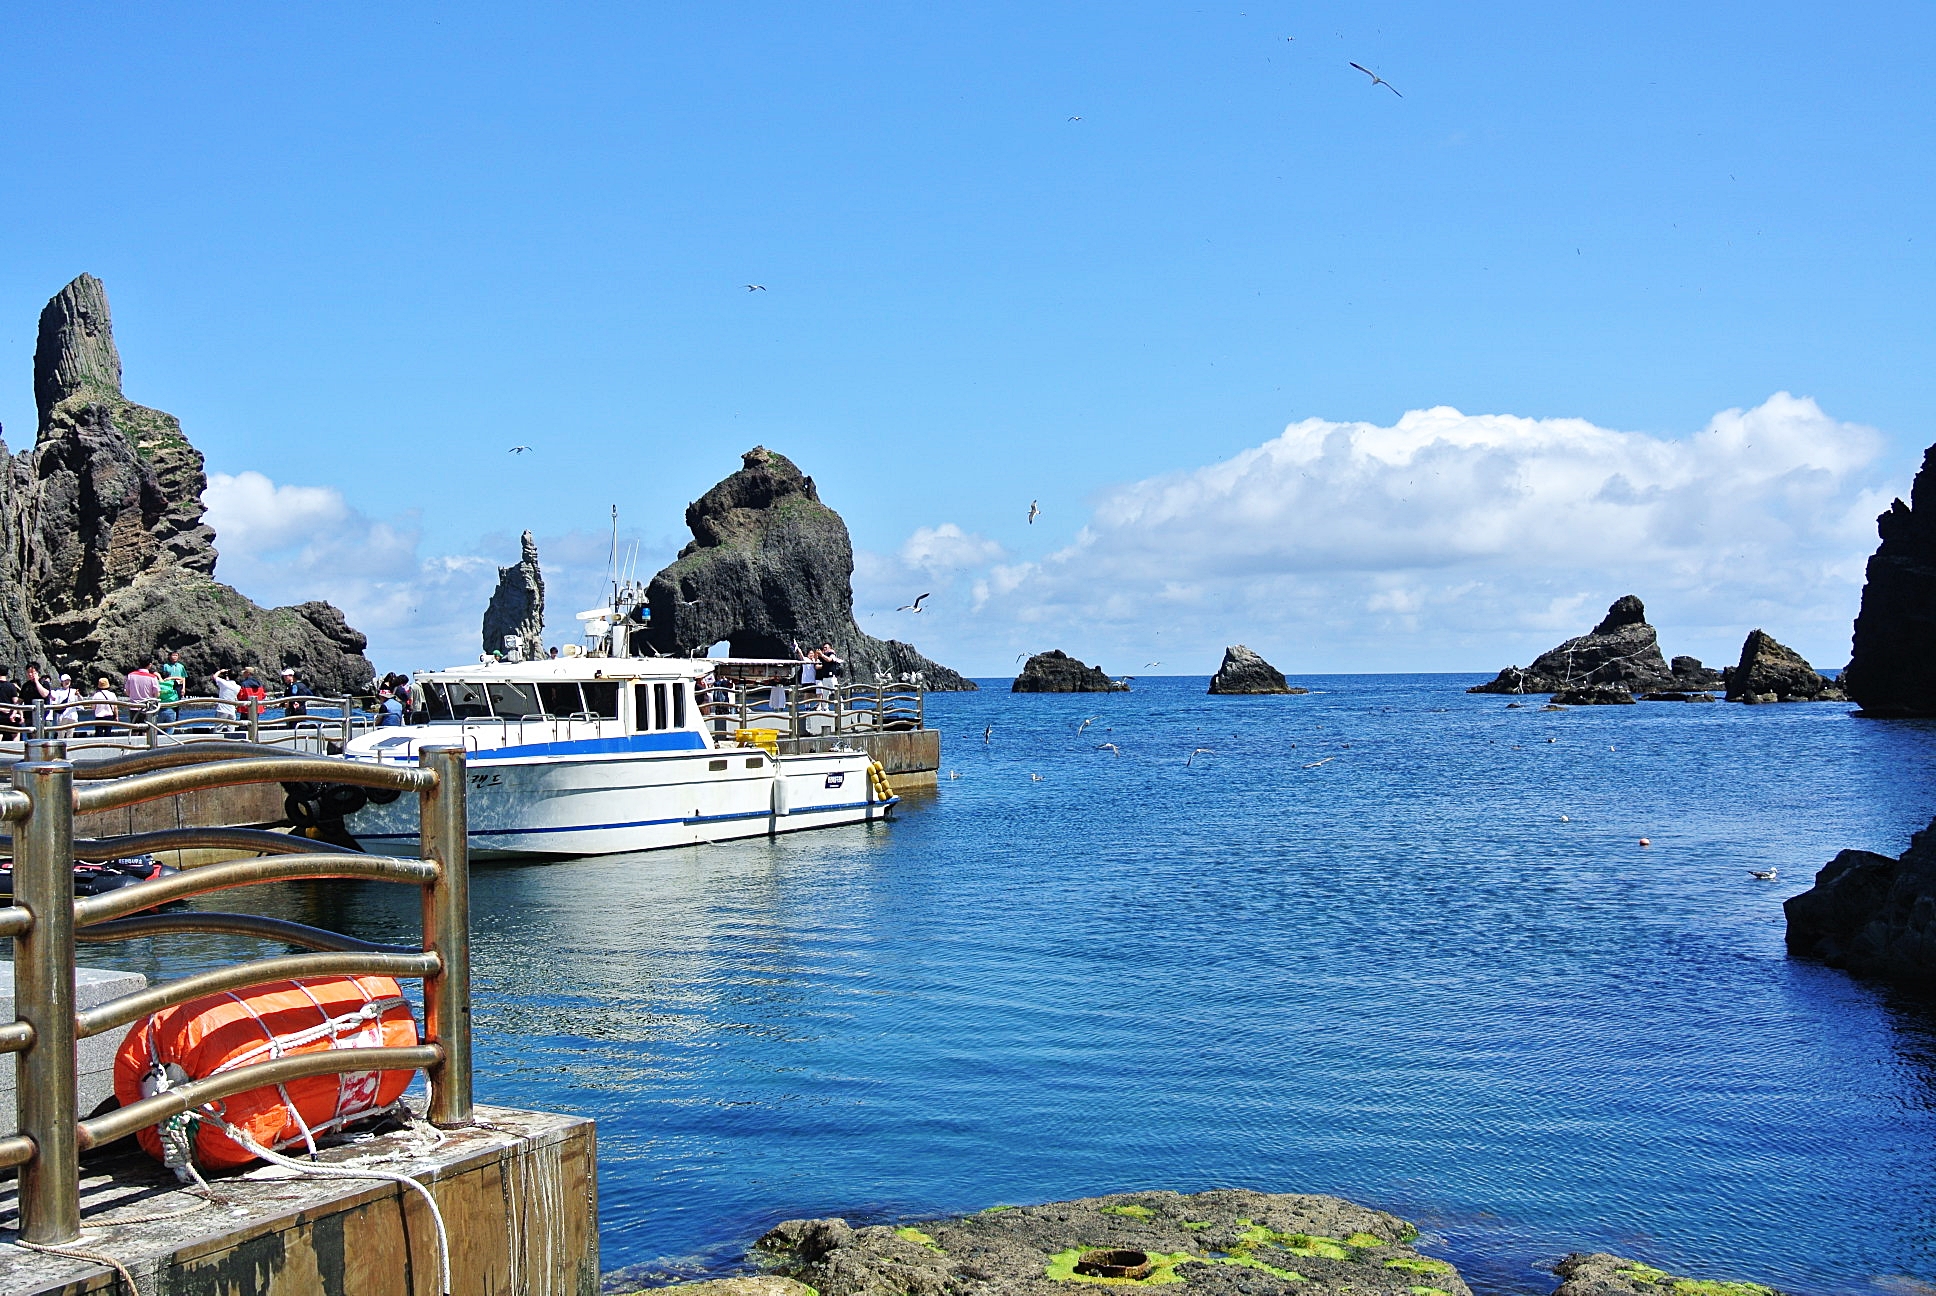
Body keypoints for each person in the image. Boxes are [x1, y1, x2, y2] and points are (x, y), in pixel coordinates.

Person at [0, 668, 21, 733]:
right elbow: (16, 702)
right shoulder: (11, 686)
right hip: (10, 715)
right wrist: (14, 713)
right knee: (15, 735)